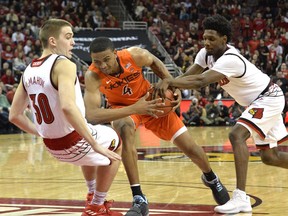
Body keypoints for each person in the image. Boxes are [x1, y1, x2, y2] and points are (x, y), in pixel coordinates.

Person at [154, 14, 288, 214]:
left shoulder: (231, 59)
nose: (206, 42)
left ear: (224, 40)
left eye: (212, 39)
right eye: (205, 38)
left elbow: (200, 81)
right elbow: (190, 75)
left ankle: (240, 198)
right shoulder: (205, 54)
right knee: (270, 157)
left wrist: (171, 82)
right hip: (257, 101)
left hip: (268, 97)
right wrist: (172, 86)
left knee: (236, 135)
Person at [84, 37, 230, 216]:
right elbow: (91, 115)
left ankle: (211, 177)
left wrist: (172, 85)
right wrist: (135, 108)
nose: (103, 65)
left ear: (115, 54)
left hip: (152, 101)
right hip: (124, 109)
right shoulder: (92, 75)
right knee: (124, 129)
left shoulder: (135, 55)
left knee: (191, 148)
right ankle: (139, 197)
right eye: (96, 61)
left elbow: (154, 61)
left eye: (106, 59)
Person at [8, 19, 123, 216]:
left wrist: (42, 133)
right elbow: (68, 107)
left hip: (53, 147)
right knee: (115, 142)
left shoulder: (28, 70)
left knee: (90, 130)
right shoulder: (64, 64)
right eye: (68, 37)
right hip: (74, 143)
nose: (73, 43)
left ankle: (91, 194)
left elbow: (14, 115)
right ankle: (96, 205)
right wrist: (95, 144)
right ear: (53, 41)